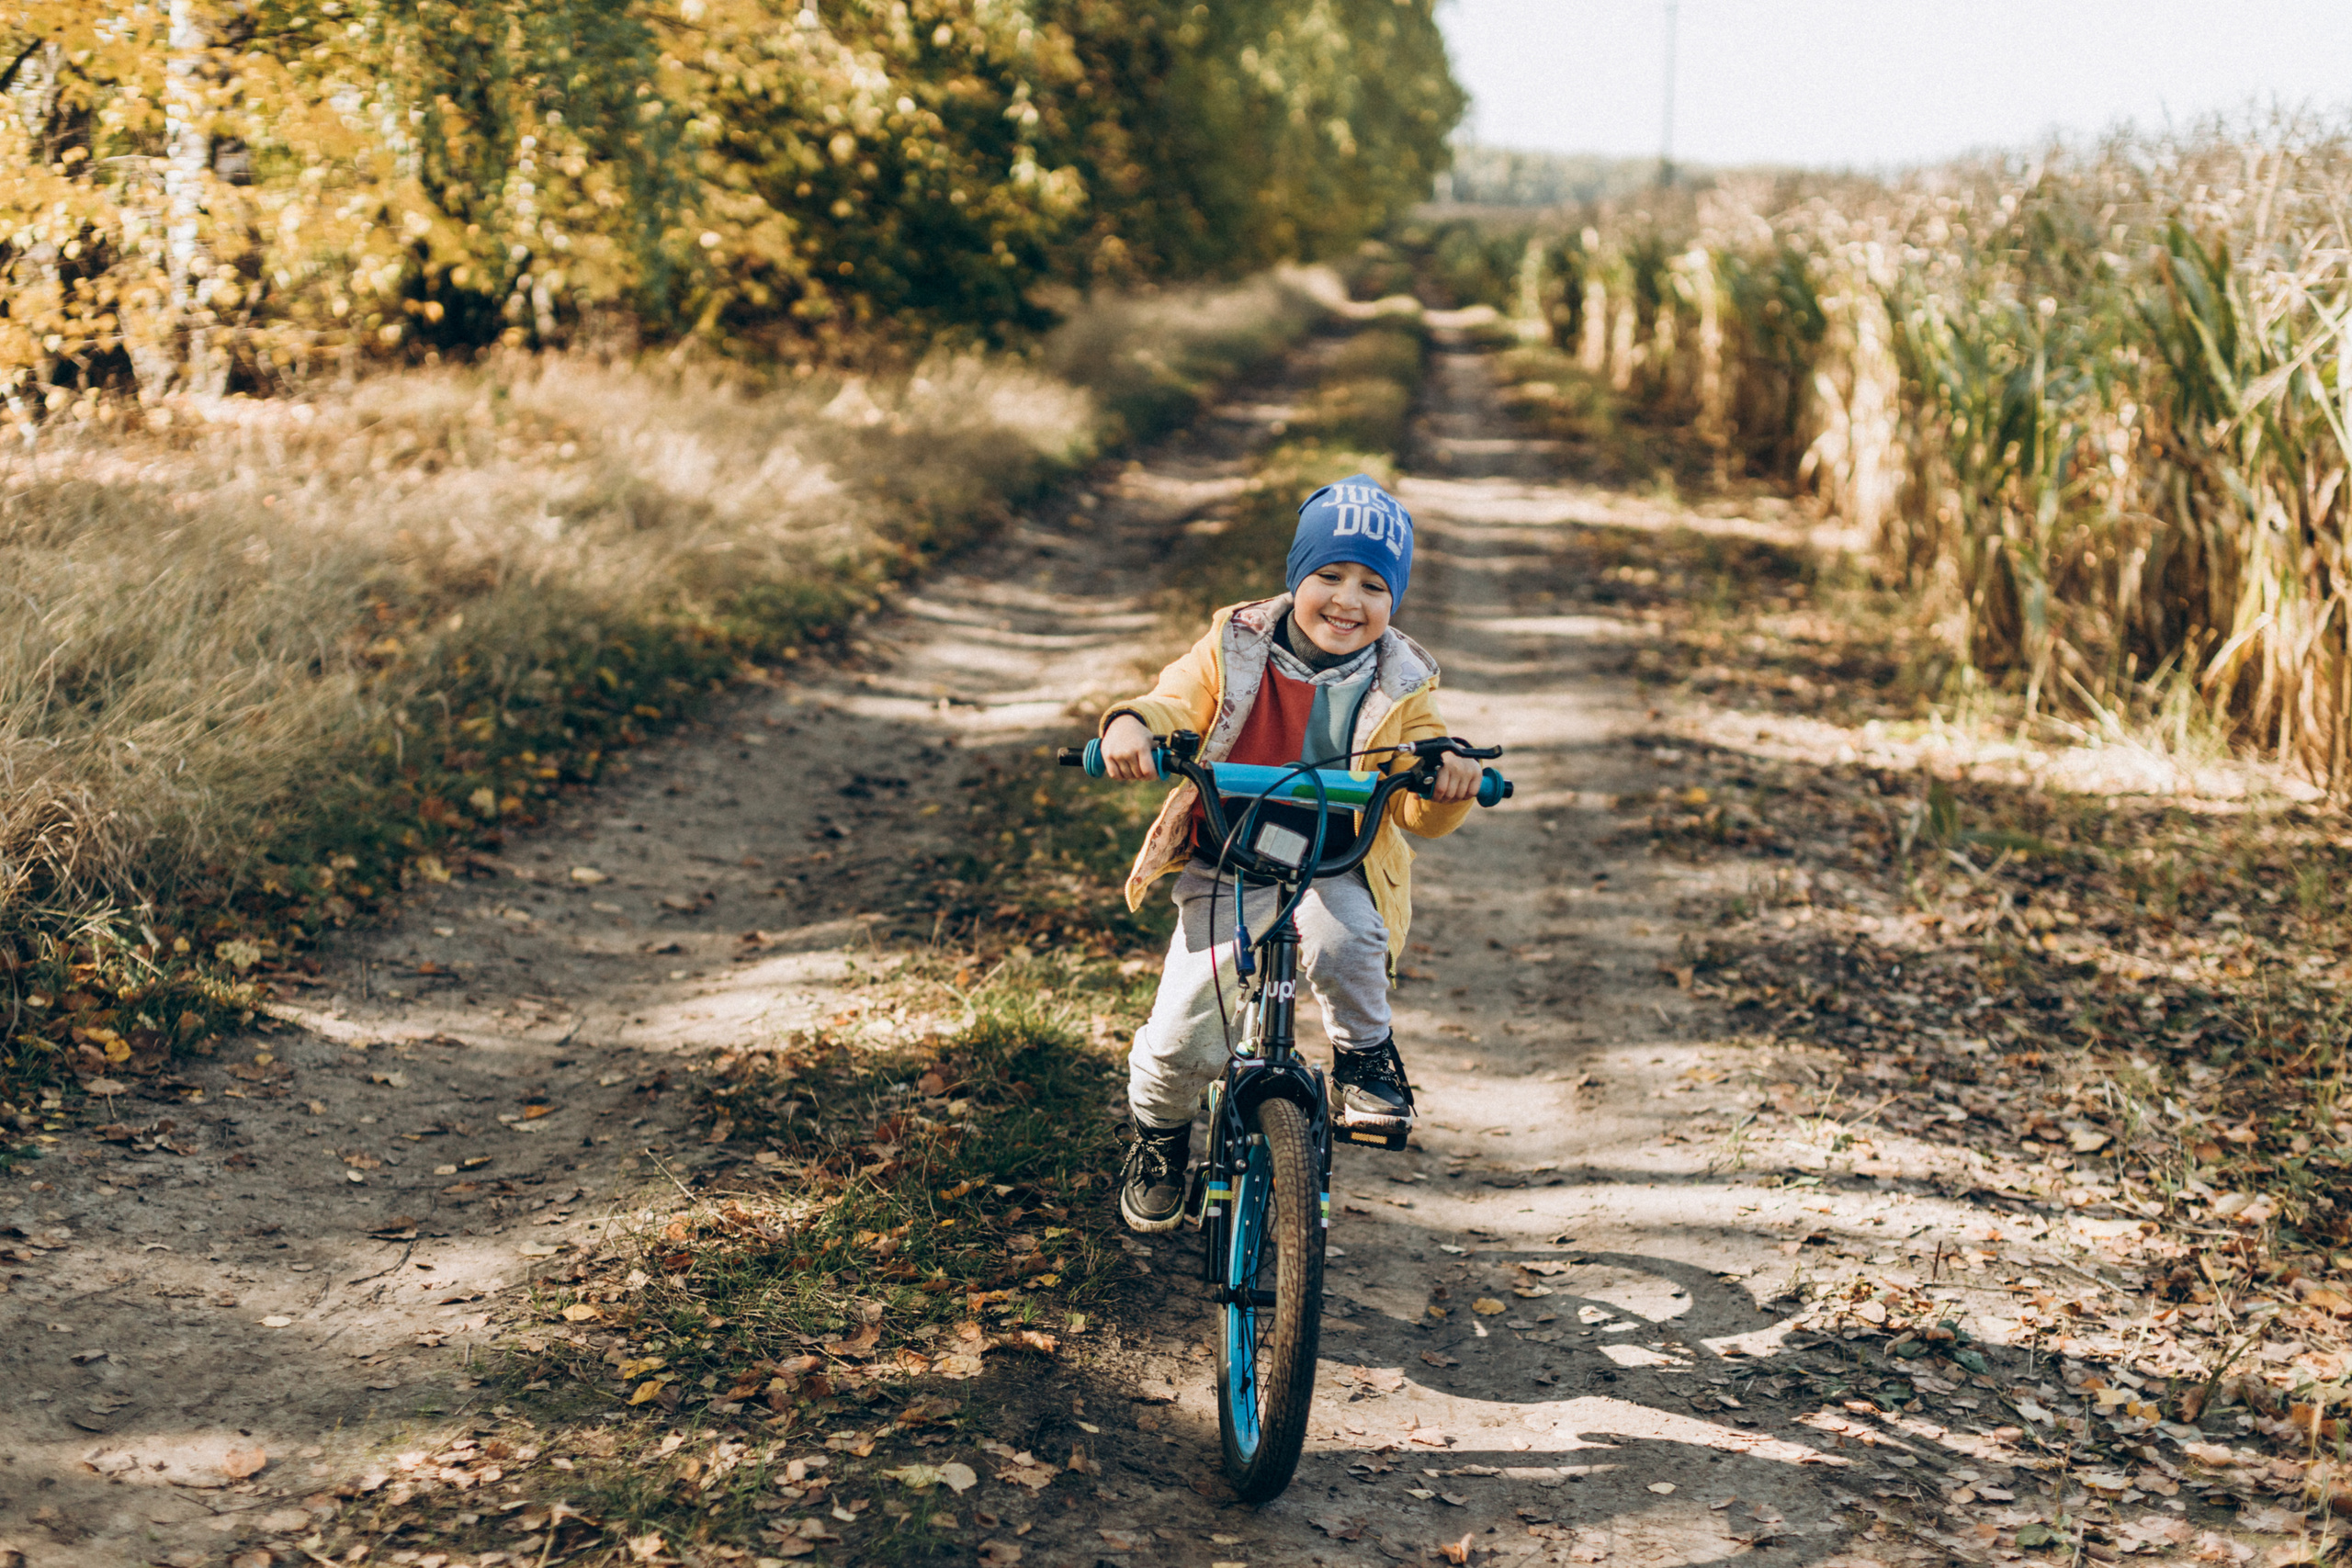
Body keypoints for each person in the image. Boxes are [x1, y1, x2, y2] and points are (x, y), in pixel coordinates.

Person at [1096, 473, 1483, 1233]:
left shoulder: (1403, 682)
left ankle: (1366, 1057)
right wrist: (1133, 726)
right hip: (1230, 854)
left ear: (1394, 600)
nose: (1348, 598)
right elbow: (1175, 698)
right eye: (1329, 575)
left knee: (1349, 941)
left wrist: (1445, 778)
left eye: (1374, 584)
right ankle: (1161, 1136)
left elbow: (1418, 781)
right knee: (1185, 1022)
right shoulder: (1234, 645)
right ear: (1296, 576)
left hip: (1333, 861)